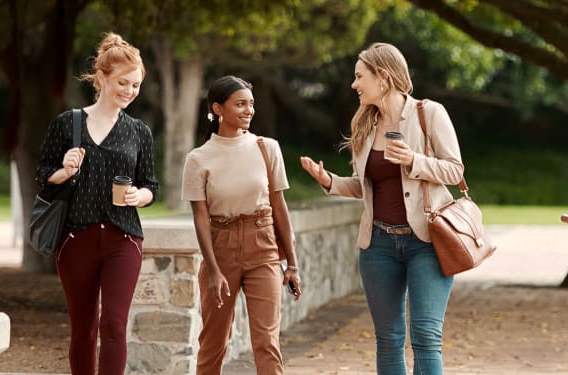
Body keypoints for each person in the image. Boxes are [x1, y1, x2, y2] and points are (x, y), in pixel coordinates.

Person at [299, 42, 463, 375]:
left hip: (428, 243)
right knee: (387, 339)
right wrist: (328, 180)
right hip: (379, 246)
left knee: (426, 339)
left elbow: (455, 170)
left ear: (383, 77)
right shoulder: (365, 126)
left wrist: (414, 160)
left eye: (360, 77)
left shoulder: (428, 114)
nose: (354, 85)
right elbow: (365, 187)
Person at [34, 32, 159, 375]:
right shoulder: (68, 123)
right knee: (84, 330)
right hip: (76, 240)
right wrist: (63, 170)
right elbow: (43, 175)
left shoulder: (138, 131)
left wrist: (139, 196)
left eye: (135, 85)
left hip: (124, 239)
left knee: (114, 325)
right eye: (123, 82)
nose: (130, 91)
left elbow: (151, 186)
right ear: (102, 78)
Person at [182, 75, 302, 375]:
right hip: (220, 248)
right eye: (240, 104)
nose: (248, 110)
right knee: (214, 340)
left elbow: (279, 206)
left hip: (263, 246)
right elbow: (200, 217)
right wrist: (212, 270)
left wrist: (292, 263)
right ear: (218, 109)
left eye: (251, 104)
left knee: (267, 341)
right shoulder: (198, 159)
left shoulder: (267, 148)